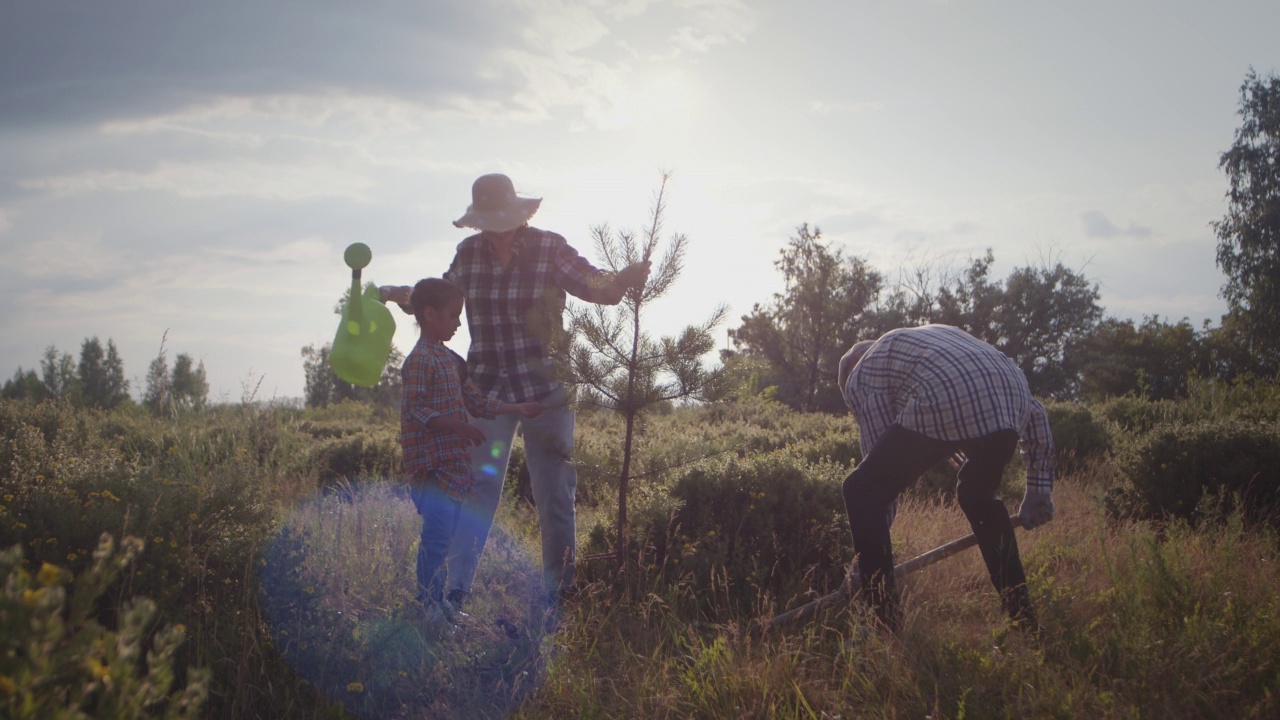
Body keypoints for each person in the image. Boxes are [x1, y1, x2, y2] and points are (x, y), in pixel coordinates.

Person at [384, 173, 650, 619]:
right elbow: (439, 295)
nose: (494, 228)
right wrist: (397, 295)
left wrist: (620, 281)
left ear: (518, 214)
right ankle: (454, 596)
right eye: (486, 220)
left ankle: (559, 593)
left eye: (500, 218)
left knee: (555, 493)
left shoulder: (549, 248)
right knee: (476, 490)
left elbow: (592, 283)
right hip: (487, 389)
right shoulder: (468, 254)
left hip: (545, 389)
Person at [837, 324, 1056, 632]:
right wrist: (1038, 491)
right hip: (1012, 391)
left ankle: (882, 629)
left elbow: (877, 480)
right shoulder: (928, 343)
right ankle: (1023, 619)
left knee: (860, 491)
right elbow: (1037, 414)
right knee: (976, 496)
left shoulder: (862, 372)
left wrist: (865, 559)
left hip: (948, 391)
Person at [400, 277, 542, 625]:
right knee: (435, 536)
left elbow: (475, 400)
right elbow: (415, 410)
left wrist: (516, 409)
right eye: (453, 315)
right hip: (431, 465)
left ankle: (439, 601)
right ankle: (427, 606)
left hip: (454, 464)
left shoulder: (451, 360)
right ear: (429, 314)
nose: (459, 323)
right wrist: (457, 425)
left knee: (446, 534)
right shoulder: (419, 360)